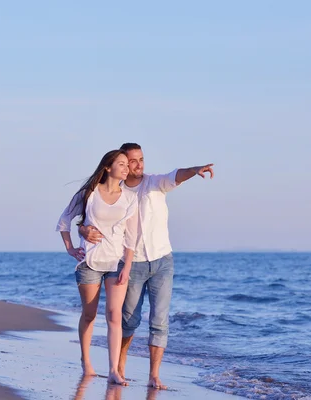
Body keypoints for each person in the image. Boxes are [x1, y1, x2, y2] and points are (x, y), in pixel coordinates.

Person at [78, 143, 214, 389]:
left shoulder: (155, 183)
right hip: (132, 263)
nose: (139, 164)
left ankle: (154, 376)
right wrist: (83, 229)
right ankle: (118, 367)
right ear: (122, 163)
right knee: (128, 319)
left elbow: (176, 175)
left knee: (159, 320)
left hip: (162, 260)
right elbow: (89, 216)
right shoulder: (116, 193)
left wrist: (194, 170)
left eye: (142, 159)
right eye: (133, 160)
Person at [56, 149, 139, 386]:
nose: (126, 168)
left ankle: (114, 369)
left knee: (114, 315)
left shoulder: (130, 198)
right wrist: (70, 248)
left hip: (117, 262)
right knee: (90, 315)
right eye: (121, 164)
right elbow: (64, 220)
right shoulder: (88, 193)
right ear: (107, 167)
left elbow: (131, 236)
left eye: (127, 165)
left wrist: (128, 266)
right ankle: (86, 360)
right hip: (90, 262)